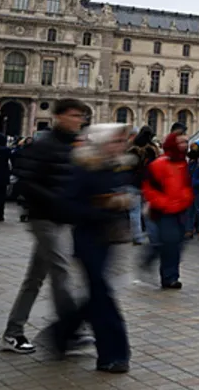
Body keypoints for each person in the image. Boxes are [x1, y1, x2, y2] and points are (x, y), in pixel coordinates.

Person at [41, 124, 135, 373]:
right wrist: (102, 209)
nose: (121, 145)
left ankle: (62, 331)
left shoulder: (115, 166)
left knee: (96, 295)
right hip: (88, 239)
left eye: (122, 141)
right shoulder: (84, 168)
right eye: (116, 141)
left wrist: (121, 204)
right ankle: (113, 355)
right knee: (102, 297)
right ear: (102, 142)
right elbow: (64, 205)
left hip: (108, 239)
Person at [1, 99, 88, 354]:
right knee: (62, 272)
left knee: (35, 278)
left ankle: (13, 332)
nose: (79, 120)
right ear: (59, 116)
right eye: (74, 115)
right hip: (44, 218)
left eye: (81, 116)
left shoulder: (72, 145)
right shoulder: (44, 145)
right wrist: (58, 202)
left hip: (60, 218)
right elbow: (26, 182)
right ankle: (70, 332)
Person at [141, 131, 194, 289]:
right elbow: (149, 188)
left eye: (186, 142)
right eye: (182, 142)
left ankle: (153, 259)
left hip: (182, 209)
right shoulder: (159, 164)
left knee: (178, 243)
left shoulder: (183, 163)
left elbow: (186, 185)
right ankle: (170, 277)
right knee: (171, 243)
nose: (186, 145)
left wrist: (186, 198)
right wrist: (163, 203)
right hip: (165, 211)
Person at [126, 127, 158, 246]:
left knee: (134, 212)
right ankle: (153, 237)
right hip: (148, 184)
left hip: (133, 182)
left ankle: (137, 237)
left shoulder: (132, 149)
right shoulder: (153, 150)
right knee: (148, 212)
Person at [185, 141, 199, 240]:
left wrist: (197, 183)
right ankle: (189, 229)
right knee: (190, 210)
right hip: (191, 188)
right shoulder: (192, 161)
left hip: (198, 189)